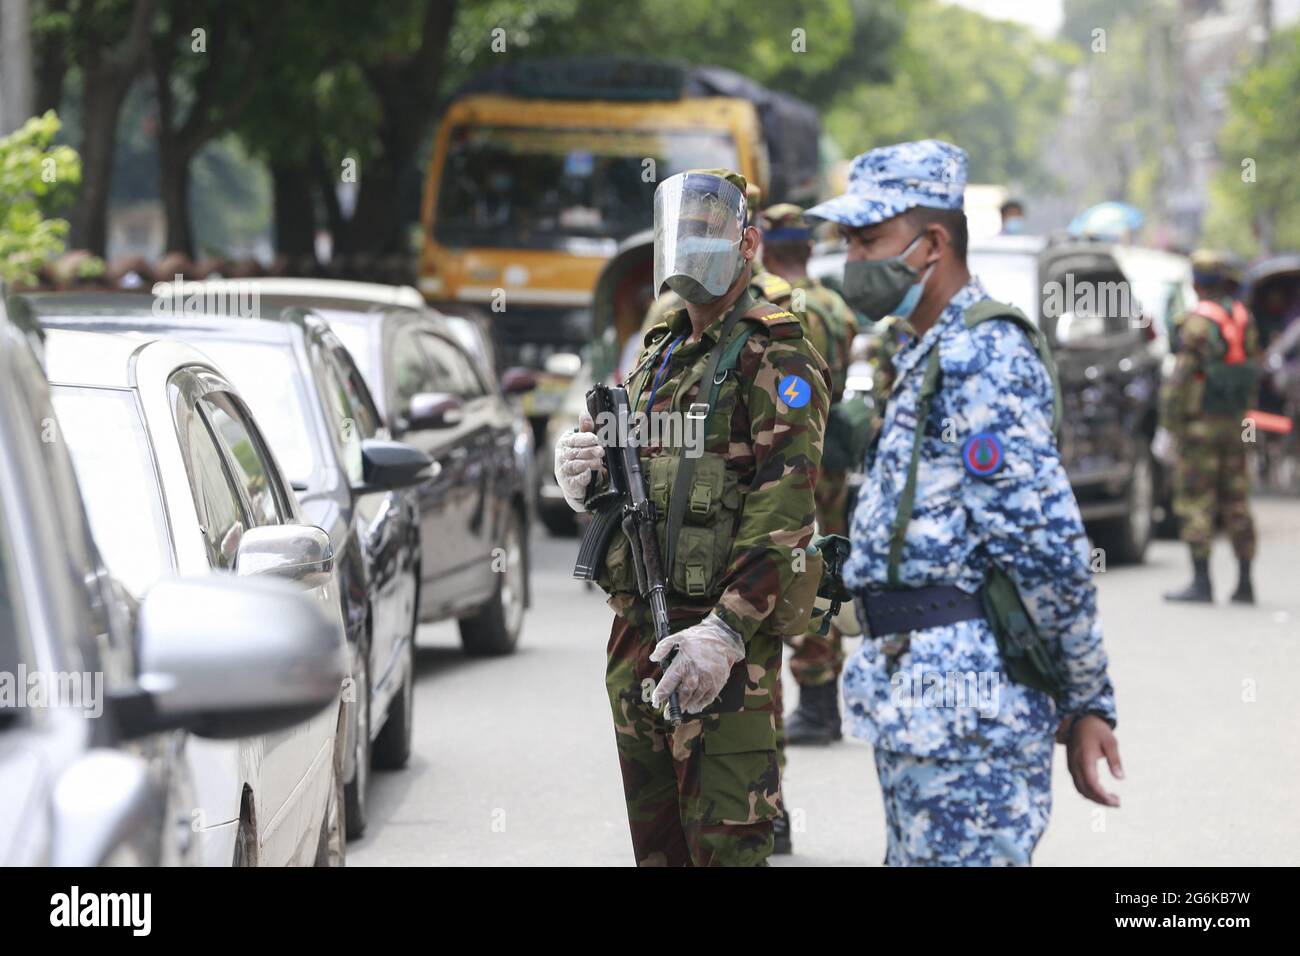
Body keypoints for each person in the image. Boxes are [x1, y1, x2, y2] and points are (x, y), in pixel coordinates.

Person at [806, 140, 1122, 866]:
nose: (852, 258)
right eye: (849, 240)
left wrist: (1086, 701)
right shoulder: (924, 349)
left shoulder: (983, 352)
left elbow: (1044, 545)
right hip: (921, 699)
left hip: (967, 706)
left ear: (932, 244)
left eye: (869, 239)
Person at [554, 169, 830, 866]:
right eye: (686, 230)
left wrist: (727, 632)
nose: (693, 246)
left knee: (726, 852)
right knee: (659, 851)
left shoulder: (777, 351)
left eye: (711, 231)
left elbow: (784, 506)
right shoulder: (660, 354)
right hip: (638, 637)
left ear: (748, 244)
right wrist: (583, 477)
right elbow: (636, 488)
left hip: (720, 649)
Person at [758, 202, 859, 747]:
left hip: (794, 449)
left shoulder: (774, 302)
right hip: (832, 452)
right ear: (810, 246)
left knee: (796, 565)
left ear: (768, 248)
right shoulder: (834, 304)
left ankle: (816, 694)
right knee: (826, 562)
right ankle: (825, 697)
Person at [1158, 249, 1259, 603]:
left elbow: (1179, 380)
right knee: (1236, 498)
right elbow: (1252, 370)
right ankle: (1245, 583)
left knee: (1196, 499)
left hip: (1199, 428)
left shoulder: (1196, 322)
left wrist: (1168, 427)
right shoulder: (1242, 317)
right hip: (1236, 423)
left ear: (1196, 282)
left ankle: (1202, 583)